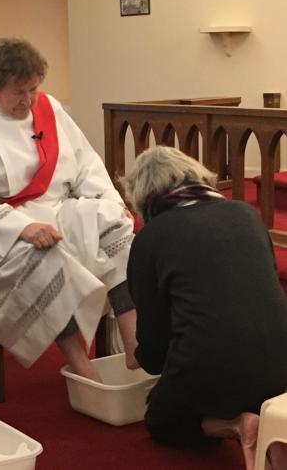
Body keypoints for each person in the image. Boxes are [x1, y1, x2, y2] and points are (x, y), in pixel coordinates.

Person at [0, 37, 137, 400]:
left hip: (57, 206)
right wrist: (22, 229)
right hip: (1, 224)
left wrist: (111, 201)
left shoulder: (49, 108)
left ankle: (132, 337)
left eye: (33, 89)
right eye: (18, 92)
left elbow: (86, 164)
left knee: (113, 223)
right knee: (41, 257)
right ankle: (79, 364)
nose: (28, 101)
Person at [122, 145, 287, 470]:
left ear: (143, 196)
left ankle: (237, 426)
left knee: (162, 418)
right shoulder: (245, 214)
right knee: (244, 376)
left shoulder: (150, 238)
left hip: (210, 365)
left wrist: (142, 357)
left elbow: (154, 354)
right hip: (281, 362)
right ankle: (268, 426)